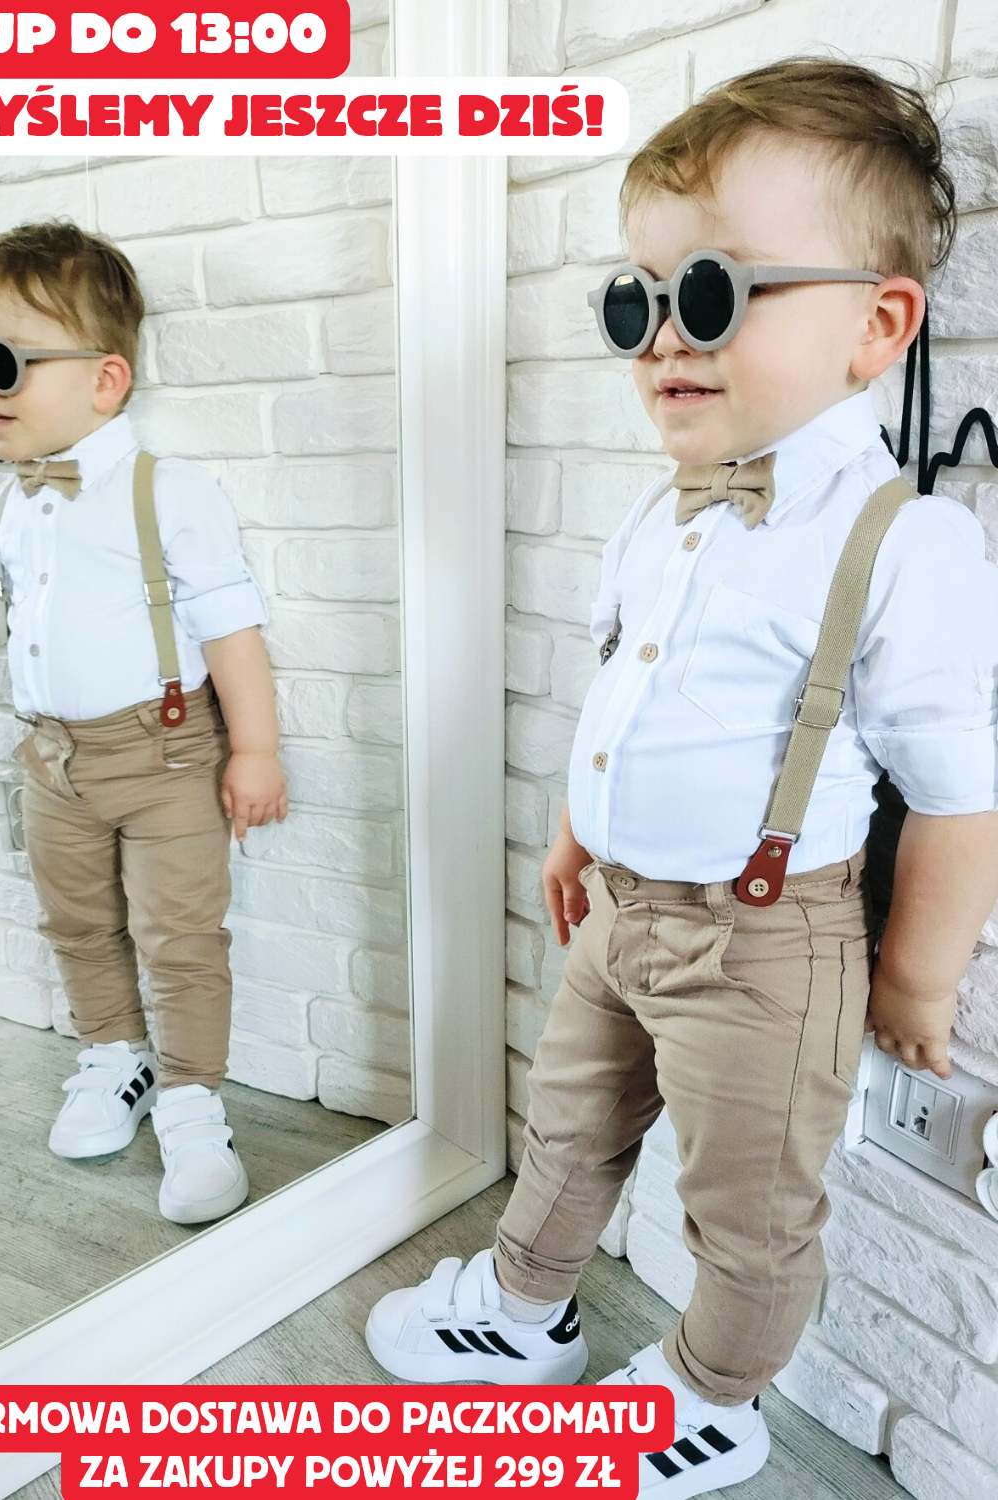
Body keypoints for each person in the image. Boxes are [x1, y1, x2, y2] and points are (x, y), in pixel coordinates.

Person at [365, 59, 998, 1495]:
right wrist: (573, 832)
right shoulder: (660, 514)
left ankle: (713, 1395)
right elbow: (623, 693)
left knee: (749, 1201)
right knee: (568, 1119)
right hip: (623, 911)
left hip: (769, 947)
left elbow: (960, 793)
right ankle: (524, 1311)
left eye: (710, 294)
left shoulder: (902, 544)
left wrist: (914, 982)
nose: (662, 337)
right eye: (634, 301)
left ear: (877, 324)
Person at [0, 222, 289, 1226]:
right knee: (78, 923)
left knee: (180, 934)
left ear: (105, 379)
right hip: (52, 758)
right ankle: (112, 1056)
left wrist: (255, 748)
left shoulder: (166, 491)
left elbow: (229, 628)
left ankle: (193, 1101)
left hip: (166, 754)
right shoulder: (10, 505)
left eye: (4, 363)